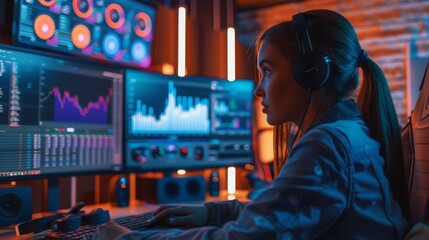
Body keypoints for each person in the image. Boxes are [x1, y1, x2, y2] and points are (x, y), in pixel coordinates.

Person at [93, 9, 409, 239]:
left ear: (310, 72)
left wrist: (125, 238)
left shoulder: (328, 144)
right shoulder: (349, 133)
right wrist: (215, 212)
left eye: (267, 71)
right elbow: (283, 212)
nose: (258, 89)